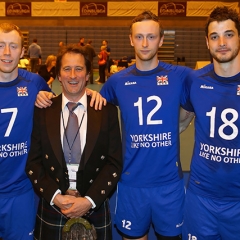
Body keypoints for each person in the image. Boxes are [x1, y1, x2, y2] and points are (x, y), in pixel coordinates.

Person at [100, 10, 192, 240]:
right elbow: (93, 107)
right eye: (139, 36)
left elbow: (206, 91)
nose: (144, 42)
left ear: (161, 40)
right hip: (132, 183)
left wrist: (182, 121)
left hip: (169, 183)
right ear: (131, 39)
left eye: (151, 37)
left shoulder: (180, 75)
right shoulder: (117, 81)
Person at [26, 44, 122, 240]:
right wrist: (56, 197)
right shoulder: (43, 111)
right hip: (53, 203)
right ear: (58, 75)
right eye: (66, 69)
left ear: (88, 75)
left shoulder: (106, 112)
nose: (72, 75)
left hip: (93, 203)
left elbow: (114, 163)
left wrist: (89, 200)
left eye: (79, 69)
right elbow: (33, 162)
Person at [181, 6, 240, 240]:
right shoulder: (195, 80)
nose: (222, 42)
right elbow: (179, 124)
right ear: (207, 42)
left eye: (229, 34)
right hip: (201, 196)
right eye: (215, 36)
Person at [0, 22, 52, 240]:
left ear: (22, 51)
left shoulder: (35, 84)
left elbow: (66, 100)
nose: (6, 52)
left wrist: (90, 92)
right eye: (1, 45)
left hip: (20, 192)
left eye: (13, 46)